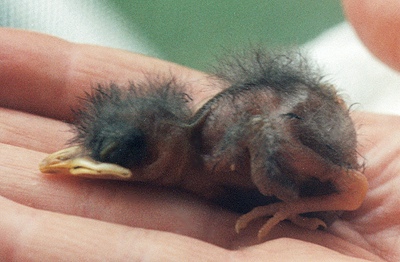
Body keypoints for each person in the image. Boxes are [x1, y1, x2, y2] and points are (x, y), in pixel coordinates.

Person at [0, 0, 399, 260]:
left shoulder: (220, 148)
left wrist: (288, 203)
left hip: (303, 133)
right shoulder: (199, 143)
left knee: (270, 136)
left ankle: (337, 185)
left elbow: (273, 124)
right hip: (296, 116)